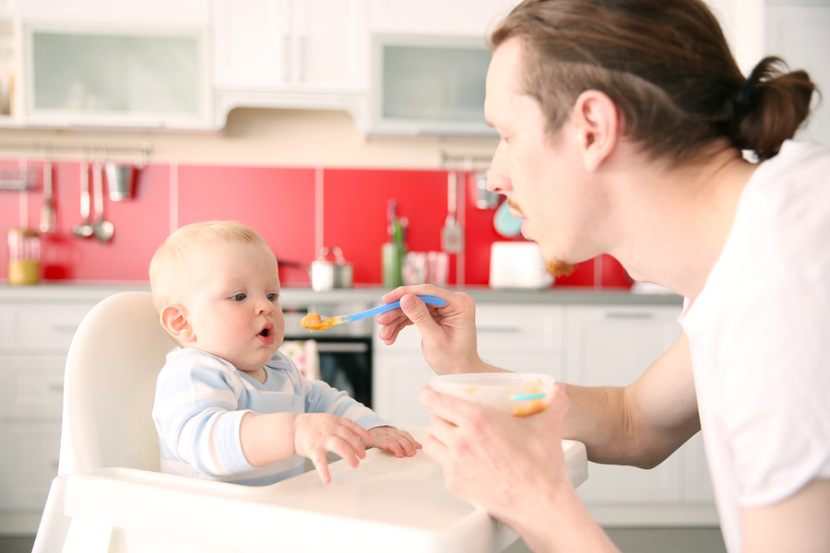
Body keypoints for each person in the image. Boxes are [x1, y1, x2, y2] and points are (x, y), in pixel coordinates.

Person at [376, 0, 830, 551]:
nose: (494, 177)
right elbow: (635, 420)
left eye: (507, 136)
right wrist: (470, 371)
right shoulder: (766, 238)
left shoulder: (783, 295)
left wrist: (536, 505)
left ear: (592, 128)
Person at [150, 221, 419, 486]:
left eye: (271, 295)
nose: (265, 307)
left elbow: (324, 402)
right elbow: (207, 442)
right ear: (182, 322)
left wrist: (371, 429)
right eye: (240, 297)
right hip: (205, 523)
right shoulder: (192, 373)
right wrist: (293, 431)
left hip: (273, 515)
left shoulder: (279, 368)